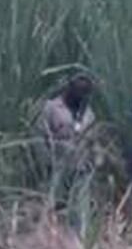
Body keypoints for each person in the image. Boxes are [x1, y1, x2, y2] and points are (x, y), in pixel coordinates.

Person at [39, 73, 97, 225]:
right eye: (79, 90)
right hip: (58, 166)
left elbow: (92, 140)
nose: (81, 95)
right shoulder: (51, 107)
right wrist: (46, 162)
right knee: (55, 207)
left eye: (85, 92)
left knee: (80, 209)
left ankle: (77, 242)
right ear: (70, 88)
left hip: (81, 167)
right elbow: (41, 137)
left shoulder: (88, 114)